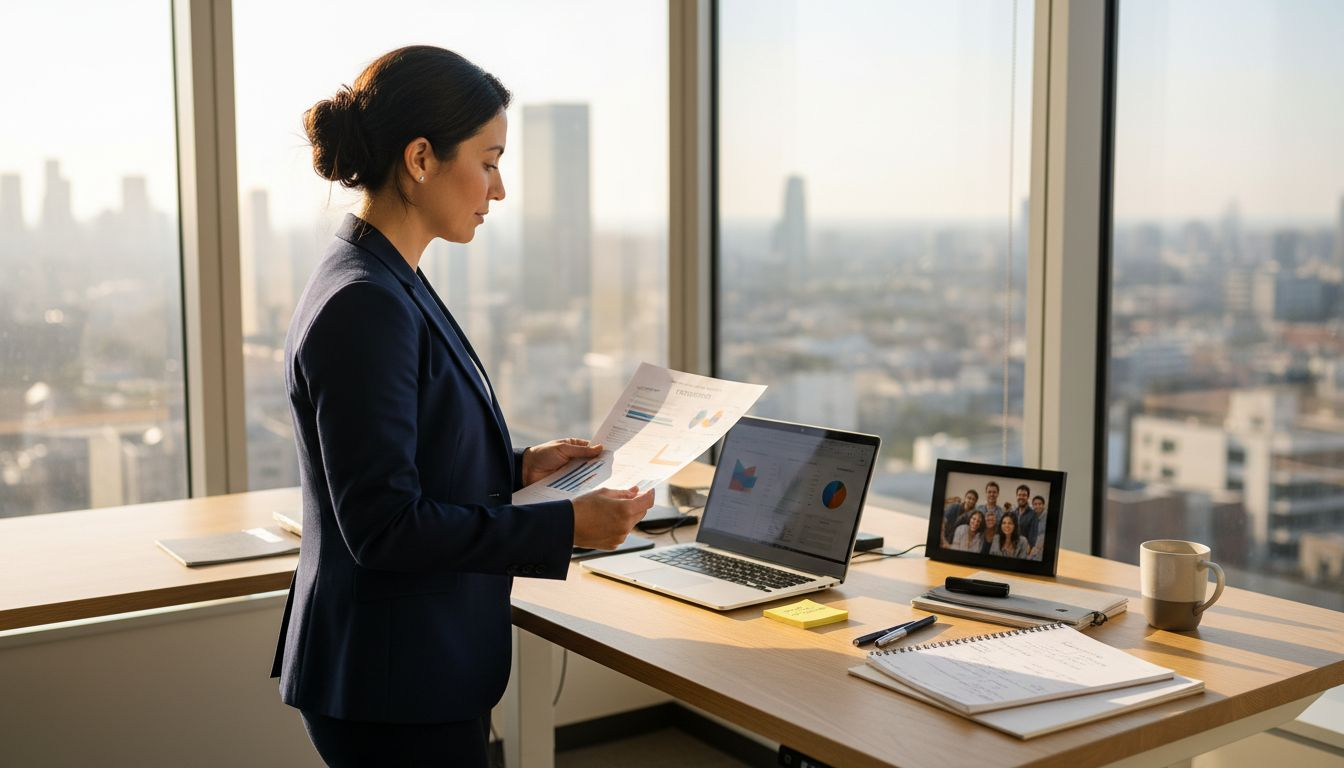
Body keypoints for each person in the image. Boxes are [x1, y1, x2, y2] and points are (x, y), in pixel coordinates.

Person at [268, 46, 653, 767]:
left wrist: (518, 466)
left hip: (406, 668)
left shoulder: (385, 276)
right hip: (393, 682)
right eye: (489, 160)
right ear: (420, 159)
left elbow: (409, 455)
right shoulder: (365, 301)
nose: (498, 189)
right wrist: (565, 524)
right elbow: (385, 525)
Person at [1016, 485, 1040, 554]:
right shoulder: (1013, 513)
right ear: (1016, 496)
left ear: (1028, 497)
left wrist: (1029, 548)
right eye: (1019, 495)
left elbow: (1033, 535)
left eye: (1024, 495)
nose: (1021, 497)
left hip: (1024, 550)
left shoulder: (1033, 515)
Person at [1028, 495, 1049, 560]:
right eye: (1035, 504)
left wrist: (1035, 548)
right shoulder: (1033, 516)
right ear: (1032, 506)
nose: (1037, 506)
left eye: (1040, 504)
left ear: (1043, 505)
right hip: (1033, 547)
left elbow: (1042, 536)